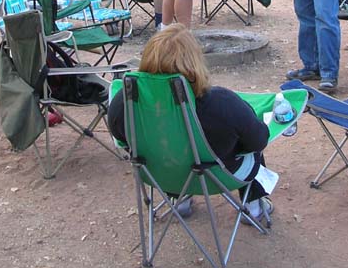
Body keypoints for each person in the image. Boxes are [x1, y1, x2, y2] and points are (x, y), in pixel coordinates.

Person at [107, 24, 274, 223]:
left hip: (160, 176)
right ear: (195, 62)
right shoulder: (221, 102)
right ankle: (253, 207)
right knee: (251, 145)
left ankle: (181, 202)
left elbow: (120, 137)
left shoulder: (127, 101)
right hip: (218, 177)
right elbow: (258, 141)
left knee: (168, 149)